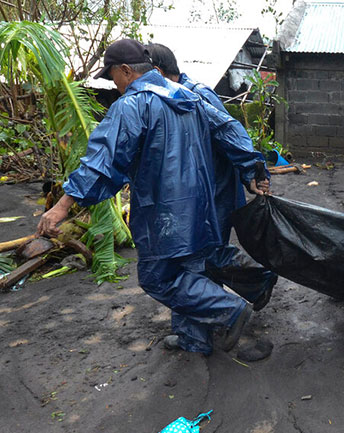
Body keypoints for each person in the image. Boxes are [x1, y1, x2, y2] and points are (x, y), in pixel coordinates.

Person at [37, 39, 270, 356]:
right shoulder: (189, 96)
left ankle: (229, 310)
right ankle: (195, 339)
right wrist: (253, 170)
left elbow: (104, 161)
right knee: (192, 271)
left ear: (126, 70)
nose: (114, 85)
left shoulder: (133, 106)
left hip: (164, 211)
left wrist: (63, 205)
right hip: (202, 206)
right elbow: (229, 129)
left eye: (113, 77)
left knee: (157, 278)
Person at [146, 43, 277, 312]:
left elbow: (229, 132)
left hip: (214, 191)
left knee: (198, 256)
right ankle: (253, 284)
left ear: (156, 72)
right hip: (193, 191)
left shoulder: (194, 95)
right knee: (201, 255)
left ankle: (201, 331)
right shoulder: (164, 98)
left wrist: (251, 171)